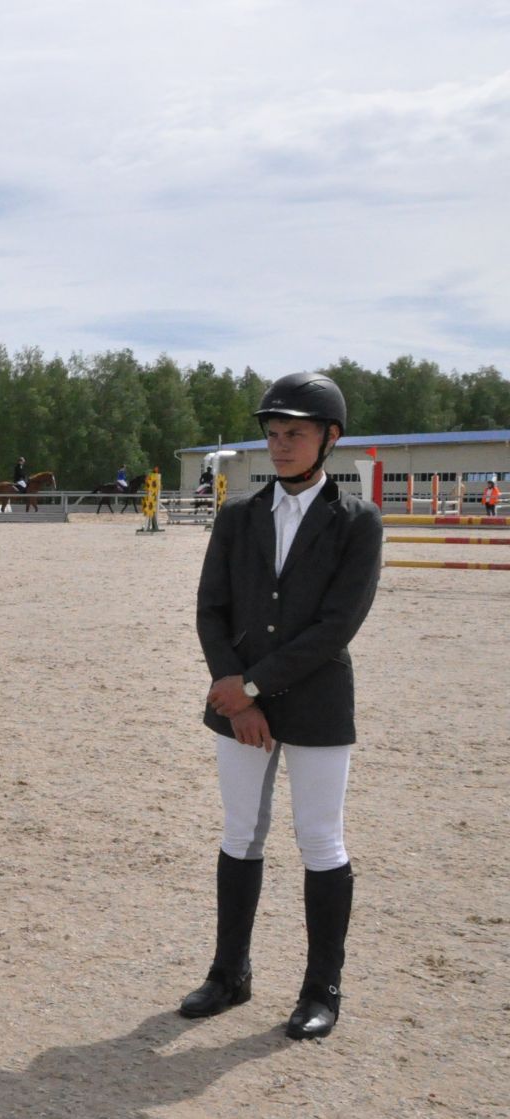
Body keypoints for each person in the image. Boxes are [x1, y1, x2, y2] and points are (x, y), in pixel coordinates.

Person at [184, 371, 383, 1042]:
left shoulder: (357, 523)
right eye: (273, 434)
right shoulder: (239, 517)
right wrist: (233, 690)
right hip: (239, 702)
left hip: (319, 701)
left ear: (330, 438)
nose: (281, 445)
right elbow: (211, 609)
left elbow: (337, 624)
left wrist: (253, 686)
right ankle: (229, 970)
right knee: (240, 831)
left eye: (295, 433)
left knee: (320, 838)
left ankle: (321, 987)